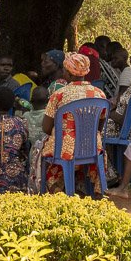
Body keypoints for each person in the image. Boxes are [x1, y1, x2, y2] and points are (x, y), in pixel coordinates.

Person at [37, 51, 108, 193]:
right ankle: (83, 187)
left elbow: (46, 128)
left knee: (39, 150)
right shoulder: (99, 93)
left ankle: (55, 189)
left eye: (64, 70)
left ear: (69, 74)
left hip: (65, 150)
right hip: (93, 147)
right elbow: (100, 126)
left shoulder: (59, 94)